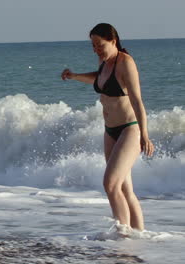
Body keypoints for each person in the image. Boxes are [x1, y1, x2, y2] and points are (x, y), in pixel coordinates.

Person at [61, 23, 154, 231]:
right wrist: (75, 76)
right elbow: (99, 79)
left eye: (99, 44)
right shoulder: (104, 61)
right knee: (124, 188)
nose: (96, 49)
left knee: (110, 184)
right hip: (110, 130)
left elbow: (137, 100)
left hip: (130, 128)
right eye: (93, 45)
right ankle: (138, 238)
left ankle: (123, 235)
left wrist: (145, 135)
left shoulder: (126, 62)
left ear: (113, 40)